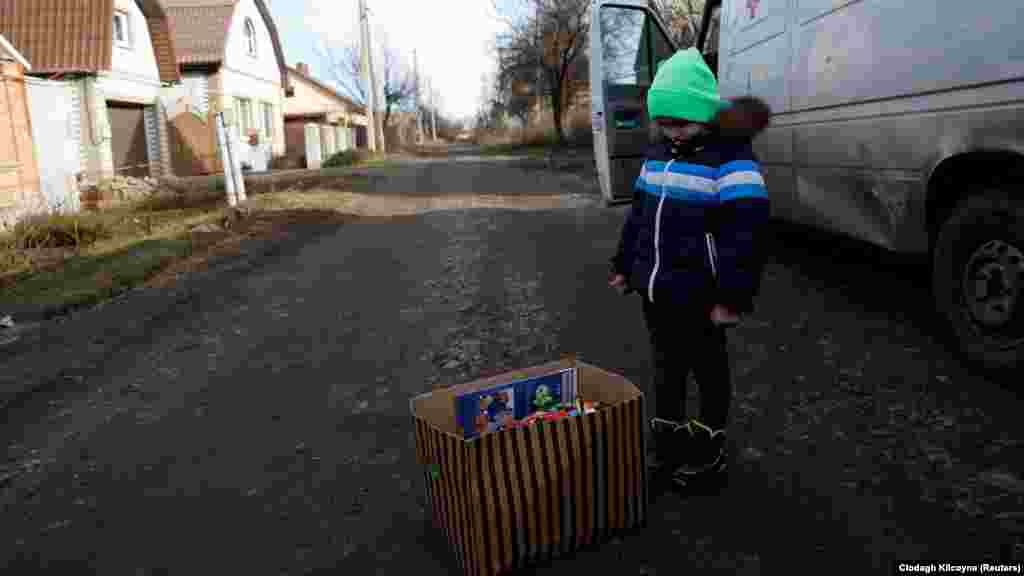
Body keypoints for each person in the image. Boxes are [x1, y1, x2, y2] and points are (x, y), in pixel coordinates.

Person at [608, 47, 772, 491]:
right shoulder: (659, 154)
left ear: (705, 114)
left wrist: (732, 297)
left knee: (708, 370)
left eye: (681, 122)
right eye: (664, 122)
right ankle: (669, 439)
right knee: (666, 366)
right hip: (656, 292)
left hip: (701, 296)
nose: (672, 132)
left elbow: (747, 235)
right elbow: (639, 215)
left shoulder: (731, 161)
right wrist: (625, 265)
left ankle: (709, 448)